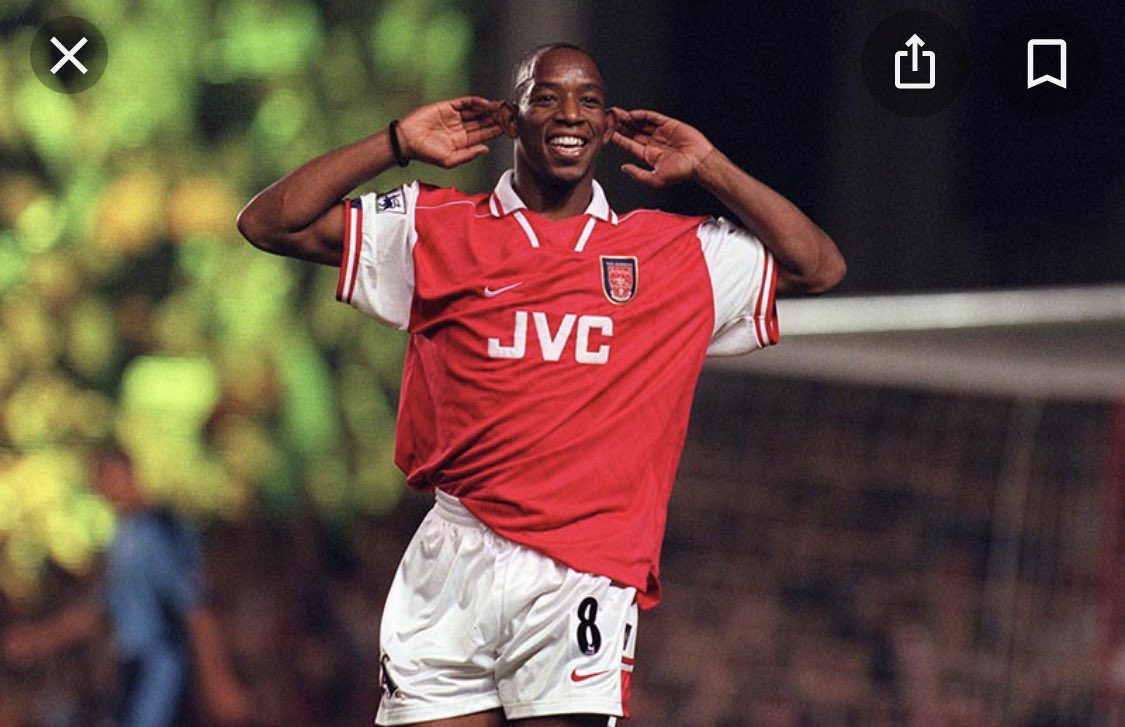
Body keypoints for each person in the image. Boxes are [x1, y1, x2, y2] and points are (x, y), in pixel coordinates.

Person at [237, 42, 845, 726]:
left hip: (581, 573)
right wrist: (396, 142)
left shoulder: (674, 257)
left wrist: (707, 164)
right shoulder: (434, 228)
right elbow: (268, 222)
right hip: (451, 556)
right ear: (510, 117)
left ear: (607, 124)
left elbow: (818, 266)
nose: (570, 114)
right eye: (546, 96)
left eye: (589, 100)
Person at [2, 447, 253, 727]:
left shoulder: (162, 529)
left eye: (108, 476)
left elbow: (196, 606)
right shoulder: (122, 534)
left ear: (128, 473)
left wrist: (217, 676)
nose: (102, 487)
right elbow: (102, 607)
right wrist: (39, 639)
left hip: (161, 664)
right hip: (132, 664)